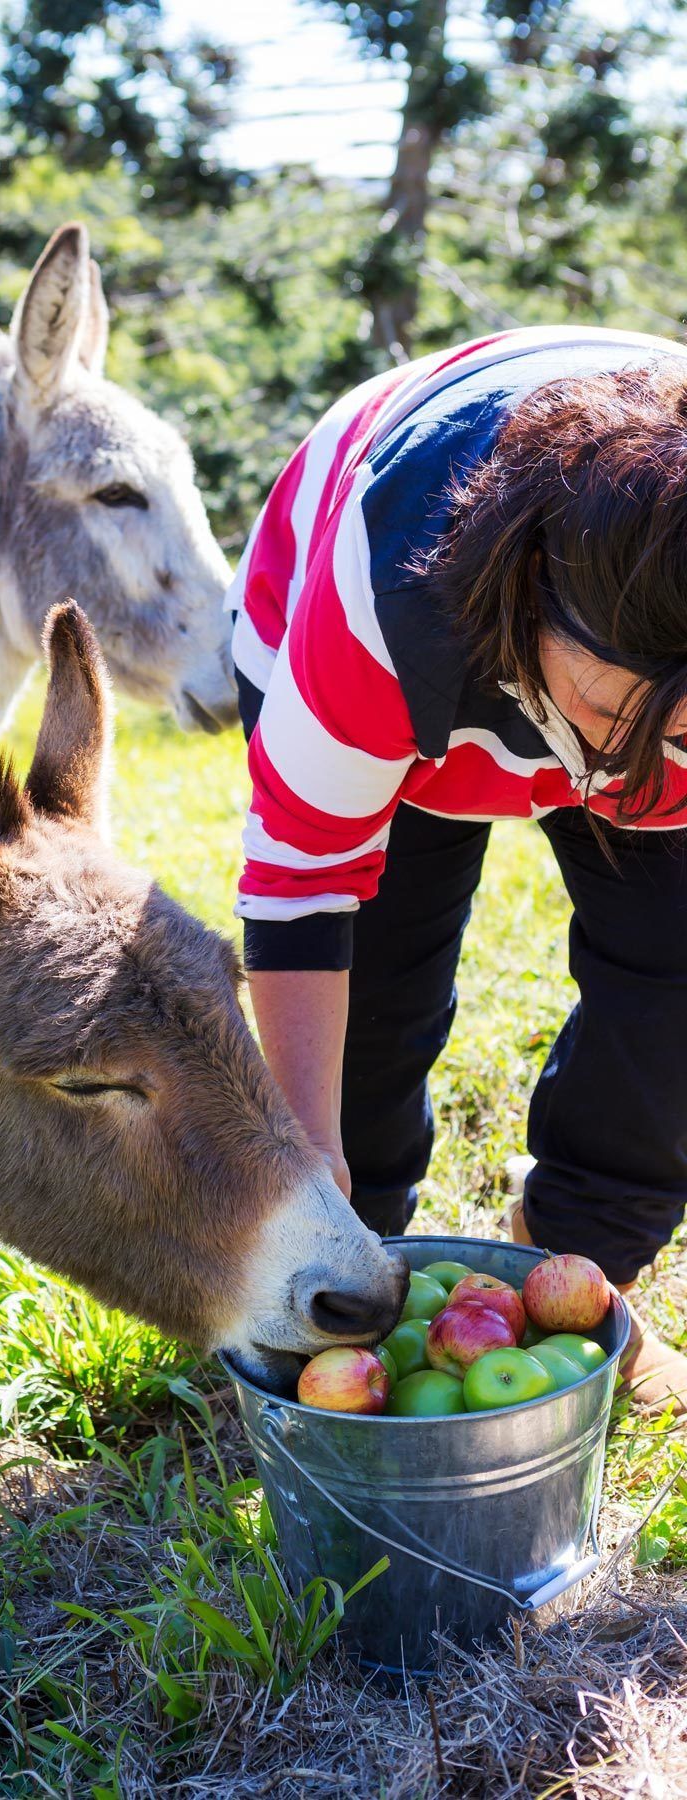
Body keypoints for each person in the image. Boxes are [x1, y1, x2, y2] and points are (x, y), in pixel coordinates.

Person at [229, 326, 687, 1412]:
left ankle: (578, 1269)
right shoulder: (379, 596)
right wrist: (311, 1158)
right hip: (373, 654)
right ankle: (345, 1283)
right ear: (530, 601)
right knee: (375, 999)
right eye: (616, 720)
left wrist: (649, 733)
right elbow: (304, 891)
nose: (647, 772)